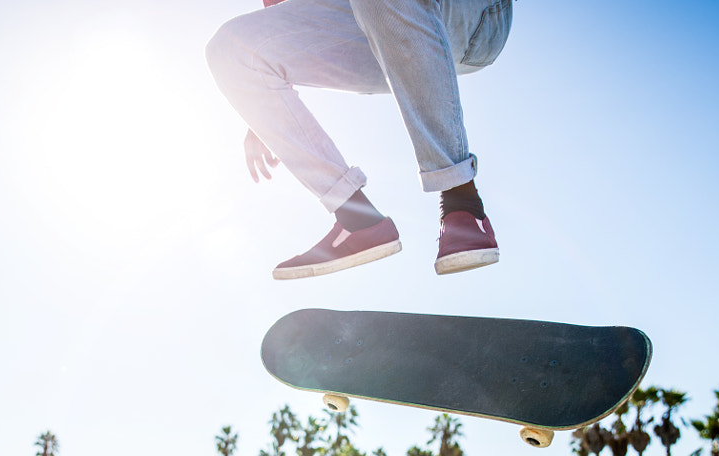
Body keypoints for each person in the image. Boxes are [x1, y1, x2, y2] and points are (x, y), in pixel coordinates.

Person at [206, 0, 513, 280]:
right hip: (378, 23)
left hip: (475, 18)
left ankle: (461, 200)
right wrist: (259, 107)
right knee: (233, 50)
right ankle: (358, 220)